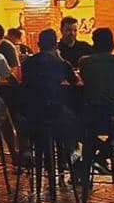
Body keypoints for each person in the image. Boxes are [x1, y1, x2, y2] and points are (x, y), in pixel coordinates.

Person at [78, 28, 114, 171]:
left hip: (91, 117)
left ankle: (101, 153)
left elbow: (84, 82)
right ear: (112, 43)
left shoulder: (84, 62)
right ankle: (112, 149)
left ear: (94, 43)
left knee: (75, 127)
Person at [21, 29, 80, 161]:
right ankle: (72, 155)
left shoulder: (27, 64)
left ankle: (31, 151)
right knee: (75, 120)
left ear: (38, 45)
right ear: (56, 45)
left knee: (43, 122)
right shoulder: (61, 64)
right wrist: (60, 58)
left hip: (31, 113)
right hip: (55, 111)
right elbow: (75, 81)